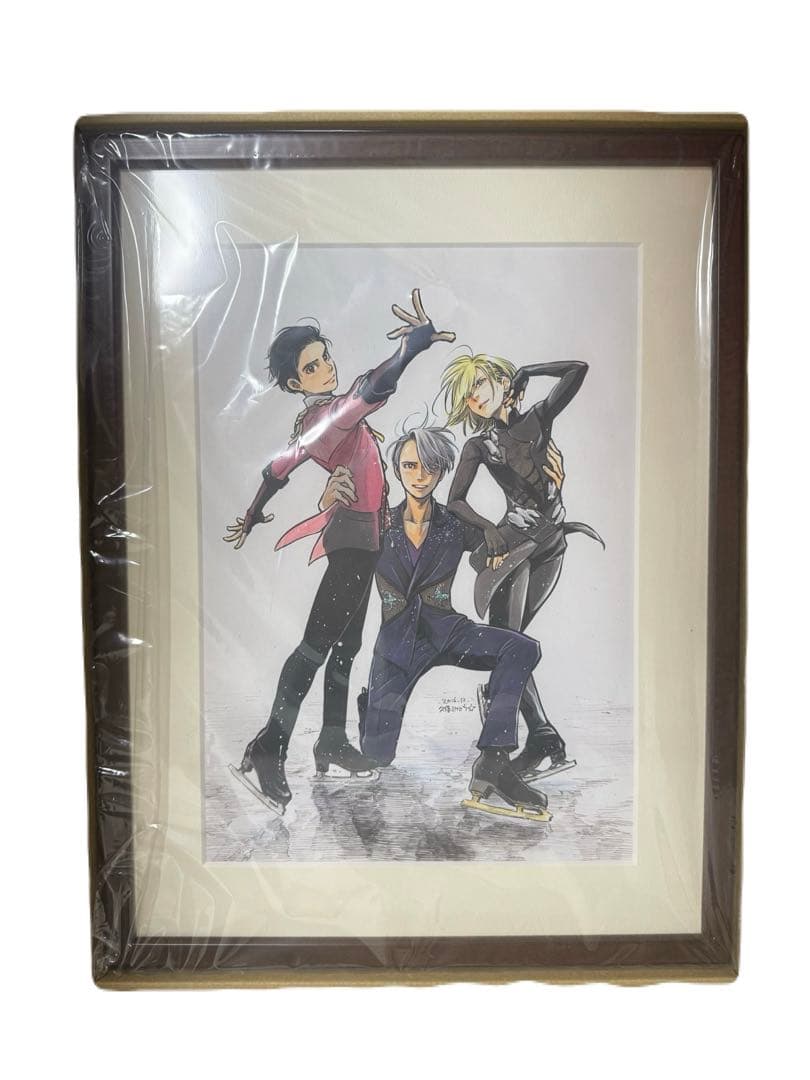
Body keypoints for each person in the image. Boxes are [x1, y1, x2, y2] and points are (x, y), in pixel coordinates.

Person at [223, 290, 455, 814]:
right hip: (351, 543)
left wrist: (255, 512)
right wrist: (409, 349)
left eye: (324, 358)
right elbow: (370, 390)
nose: (325, 367)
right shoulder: (329, 417)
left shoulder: (318, 424)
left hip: (366, 541)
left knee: (345, 648)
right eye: (311, 367)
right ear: (294, 384)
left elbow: (277, 470)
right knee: (314, 647)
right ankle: (269, 746)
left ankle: (331, 740)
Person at [357, 422, 552, 823]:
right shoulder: (378, 524)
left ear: (442, 470)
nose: (420, 475)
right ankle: (369, 708)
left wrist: (500, 533)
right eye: (410, 466)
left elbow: (494, 551)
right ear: (397, 469)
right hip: (396, 647)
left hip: (446, 630)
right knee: (377, 755)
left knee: (522, 648)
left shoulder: (454, 523)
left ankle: (493, 761)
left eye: (429, 467)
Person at [441, 352, 603, 781]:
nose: (476, 398)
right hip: (512, 548)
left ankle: (540, 739)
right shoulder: (479, 446)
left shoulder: (537, 419)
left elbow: (577, 370)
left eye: (480, 384)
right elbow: (455, 501)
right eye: (468, 395)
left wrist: (528, 370)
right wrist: (487, 529)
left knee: (513, 646)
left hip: (552, 543)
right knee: (510, 644)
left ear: (501, 381)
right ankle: (540, 738)